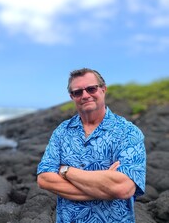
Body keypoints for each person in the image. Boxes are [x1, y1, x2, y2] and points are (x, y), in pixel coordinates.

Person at [37, 68, 146, 223]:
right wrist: (106, 187)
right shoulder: (62, 131)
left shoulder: (128, 132)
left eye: (91, 89)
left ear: (103, 89)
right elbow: (44, 179)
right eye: (78, 92)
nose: (85, 95)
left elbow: (124, 188)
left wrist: (65, 170)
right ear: (72, 97)